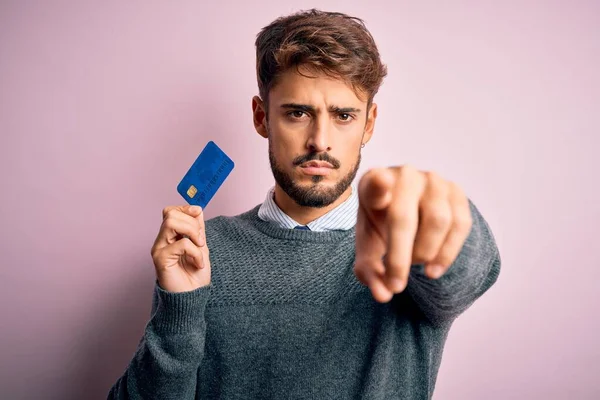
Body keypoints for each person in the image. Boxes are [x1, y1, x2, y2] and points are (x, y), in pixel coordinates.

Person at [108, 8, 501, 399]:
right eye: (298, 113)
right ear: (262, 118)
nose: (320, 140)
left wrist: (438, 216)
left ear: (368, 123)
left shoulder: (401, 248)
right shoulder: (200, 252)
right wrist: (179, 308)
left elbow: (467, 271)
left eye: (343, 115)